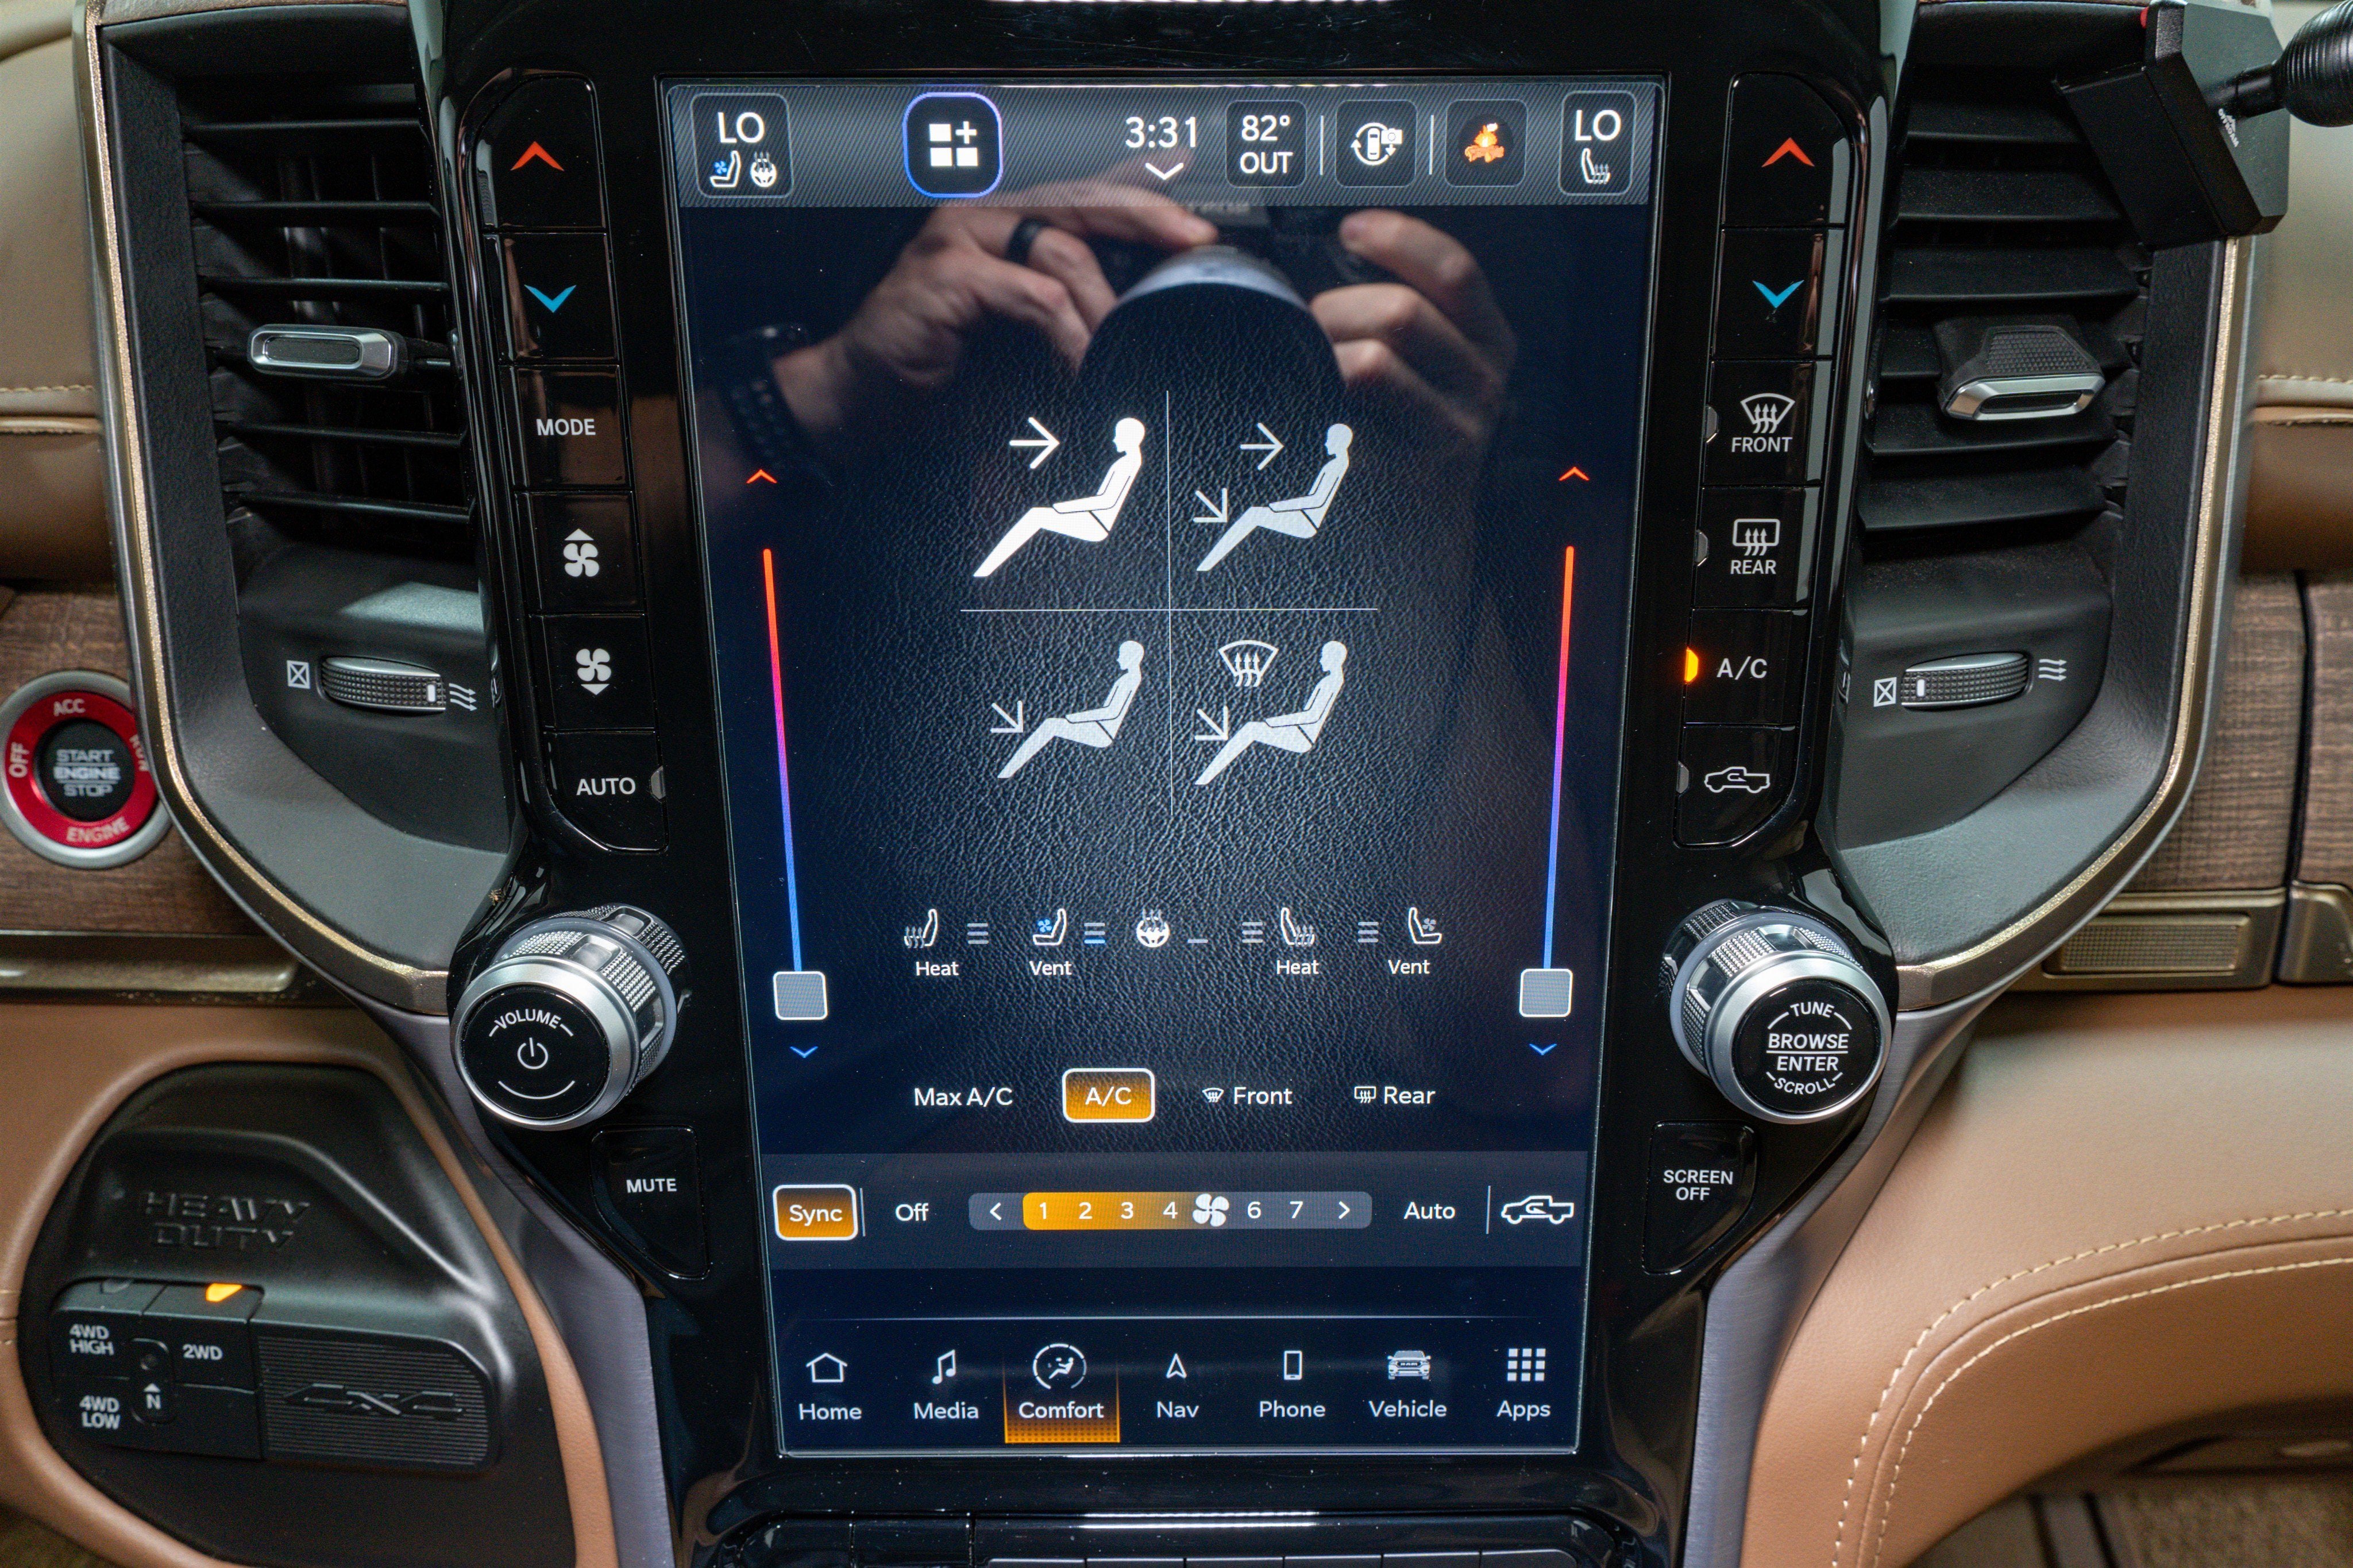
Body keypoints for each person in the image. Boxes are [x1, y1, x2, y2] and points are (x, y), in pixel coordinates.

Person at [974, 418, 1145, 578]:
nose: (1114, 440)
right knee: (1036, 515)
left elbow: (1107, 501)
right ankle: (985, 570)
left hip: (1095, 524)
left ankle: (984, 571)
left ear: (1131, 438)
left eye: (1119, 435)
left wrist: (1063, 507)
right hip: (1092, 518)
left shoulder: (1126, 464)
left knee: (1035, 516)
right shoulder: (1129, 461)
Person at [1196, 422, 1353, 572]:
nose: (1326, 444)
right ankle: (1207, 564)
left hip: (1306, 522)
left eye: (1330, 440)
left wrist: (1277, 506)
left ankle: (1207, 565)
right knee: (1254, 513)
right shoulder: (1338, 464)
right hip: (1304, 517)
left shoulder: (1335, 466)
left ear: (1341, 442)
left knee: (1253, 515)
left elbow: (1317, 501)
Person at [1194, 640, 1347, 785]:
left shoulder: (1330, 682)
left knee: (1250, 729)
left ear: (1335, 659)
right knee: (1250, 728)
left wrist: (1273, 722)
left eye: (1324, 656)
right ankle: (1207, 776)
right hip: (1299, 732)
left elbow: (1312, 716)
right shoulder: (1333, 680)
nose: (1321, 660)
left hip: (1302, 737)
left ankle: (1206, 778)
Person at [997, 640, 1147, 779]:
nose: (1118, 659)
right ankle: (1007, 771)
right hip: (1098, 727)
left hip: (1101, 732)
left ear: (1133, 657)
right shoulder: (1130, 678)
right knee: (1051, 724)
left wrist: (1074, 718)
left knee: (1050, 725)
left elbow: (1111, 712)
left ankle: (1007, 772)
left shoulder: (1129, 680)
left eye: (1122, 656)